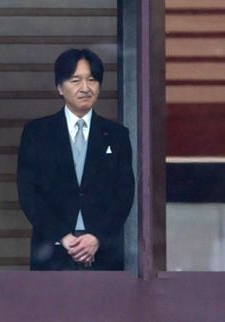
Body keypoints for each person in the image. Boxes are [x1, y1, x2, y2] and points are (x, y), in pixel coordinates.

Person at [16, 49, 135, 270]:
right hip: (52, 251)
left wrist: (96, 237)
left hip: (104, 253)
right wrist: (63, 236)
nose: (85, 88)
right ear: (60, 87)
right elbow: (28, 193)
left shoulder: (117, 135)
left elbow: (124, 193)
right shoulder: (37, 133)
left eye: (92, 80)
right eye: (75, 80)